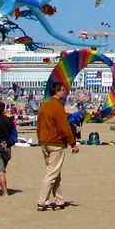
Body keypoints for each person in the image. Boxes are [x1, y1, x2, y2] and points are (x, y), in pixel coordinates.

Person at [36, 81, 79, 211]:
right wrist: (73, 143)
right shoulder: (56, 106)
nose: (64, 92)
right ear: (57, 91)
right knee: (51, 173)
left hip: (45, 142)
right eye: (62, 90)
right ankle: (42, 201)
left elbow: (39, 126)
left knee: (55, 173)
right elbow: (64, 127)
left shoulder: (44, 106)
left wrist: (41, 139)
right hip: (55, 143)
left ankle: (59, 200)